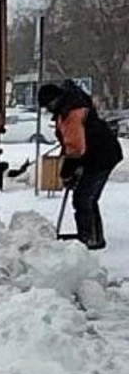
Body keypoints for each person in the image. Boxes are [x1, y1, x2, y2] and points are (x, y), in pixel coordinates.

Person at [38, 82, 123, 250]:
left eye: (48, 105)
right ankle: (93, 236)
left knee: (83, 198)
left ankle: (90, 238)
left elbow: (76, 148)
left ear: (55, 100)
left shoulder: (72, 112)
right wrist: (72, 169)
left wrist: (67, 172)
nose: (48, 110)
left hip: (102, 156)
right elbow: (70, 145)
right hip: (97, 154)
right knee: (87, 198)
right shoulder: (68, 107)